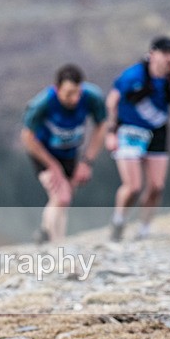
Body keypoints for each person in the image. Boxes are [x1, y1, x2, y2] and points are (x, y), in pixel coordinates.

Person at [105, 36, 170, 241]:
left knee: (156, 185)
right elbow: (112, 102)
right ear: (153, 55)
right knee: (133, 186)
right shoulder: (132, 76)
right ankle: (119, 220)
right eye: (165, 55)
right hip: (129, 130)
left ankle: (144, 229)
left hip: (158, 130)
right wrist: (111, 132)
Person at [21, 64, 107, 243]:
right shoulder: (42, 103)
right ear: (57, 88)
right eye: (68, 93)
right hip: (43, 153)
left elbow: (101, 126)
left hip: (70, 154)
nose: (74, 99)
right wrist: (52, 165)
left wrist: (87, 161)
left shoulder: (92, 97)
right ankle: (57, 246)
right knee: (62, 197)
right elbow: (27, 137)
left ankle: (45, 233)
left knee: (62, 200)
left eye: (77, 92)